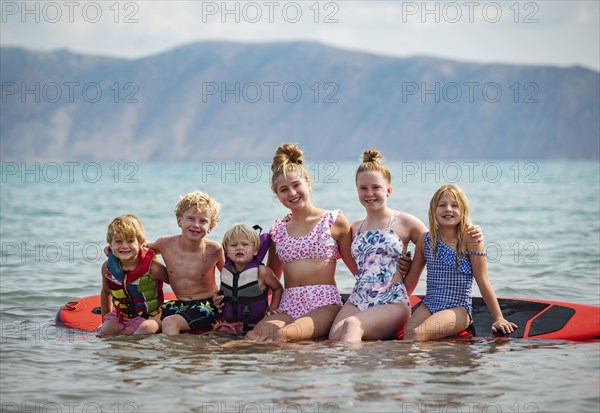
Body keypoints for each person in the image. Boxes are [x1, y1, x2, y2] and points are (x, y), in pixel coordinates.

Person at [246, 143, 357, 342]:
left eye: (296, 185)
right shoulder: (279, 229)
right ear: (277, 196)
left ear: (308, 184)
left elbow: (356, 268)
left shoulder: (333, 220)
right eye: (283, 190)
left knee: (284, 335)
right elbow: (271, 277)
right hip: (288, 304)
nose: (292, 193)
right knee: (254, 336)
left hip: (324, 303)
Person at [402, 184, 517, 341]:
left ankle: (431, 361)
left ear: (463, 211)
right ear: (433, 211)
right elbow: (412, 279)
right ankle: (432, 360)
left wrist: (498, 318)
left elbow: (483, 281)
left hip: (458, 309)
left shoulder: (470, 239)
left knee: (418, 335)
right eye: (442, 205)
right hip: (430, 304)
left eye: (454, 205)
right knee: (407, 335)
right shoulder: (425, 240)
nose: (448, 209)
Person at [328, 150, 413, 343]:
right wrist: (292, 218)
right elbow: (323, 232)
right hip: (359, 297)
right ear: (357, 191)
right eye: (363, 188)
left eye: (376, 187)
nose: (369, 194)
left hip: (392, 300)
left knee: (351, 326)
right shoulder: (355, 227)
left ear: (388, 191)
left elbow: (434, 243)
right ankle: (372, 362)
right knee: (334, 338)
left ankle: (360, 374)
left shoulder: (405, 222)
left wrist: (410, 278)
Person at [143, 191, 225, 335]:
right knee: (146, 327)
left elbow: (230, 277)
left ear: (211, 226)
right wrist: (113, 249)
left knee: (170, 322)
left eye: (203, 221)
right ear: (179, 220)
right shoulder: (165, 244)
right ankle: (137, 356)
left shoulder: (214, 250)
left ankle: (179, 357)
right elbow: (140, 249)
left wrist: (223, 298)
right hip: (179, 305)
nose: (196, 225)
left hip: (206, 306)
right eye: (191, 218)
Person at [99, 214, 169, 336]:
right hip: (122, 315)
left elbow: (176, 283)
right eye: (118, 241)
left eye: (130, 241)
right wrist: (104, 320)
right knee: (105, 332)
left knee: (139, 331)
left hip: (151, 316)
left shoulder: (153, 268)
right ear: (110, 244)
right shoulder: (107, 268)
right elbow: (105, 292)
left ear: (141, 243)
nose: (124, 246)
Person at [216, 224, 284, 334]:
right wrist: (217, 299)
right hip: (228, 326)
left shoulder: (262, 272)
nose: (239, 248)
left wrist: (272, 309)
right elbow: (227, 293)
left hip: (255, 325)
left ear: (255, 250)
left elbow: (278, 289)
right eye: (233, 245)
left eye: (245, 244)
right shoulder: (225, 272)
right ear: (226, 251)